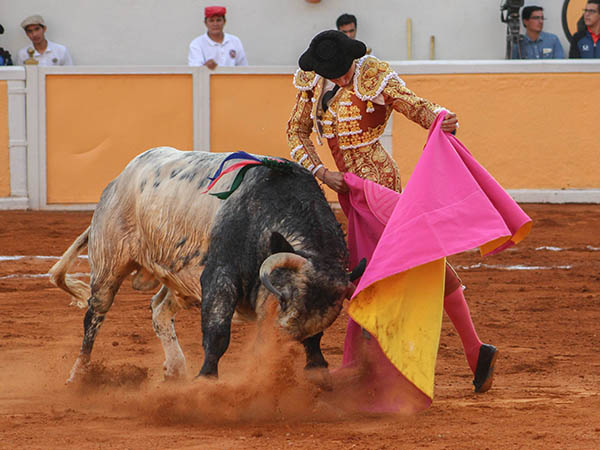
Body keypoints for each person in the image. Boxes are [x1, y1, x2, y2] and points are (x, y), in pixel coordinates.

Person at [286, 30, 498, 393]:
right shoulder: (313, 81)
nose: (340, 79)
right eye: (333, 74)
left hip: (378, 185)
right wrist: (321, 172)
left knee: (396, 262)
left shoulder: (372, 74)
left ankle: (394, 361)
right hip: (348, 192)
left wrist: (440, 117)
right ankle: (472, 351)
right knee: (398, 261)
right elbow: (296, 131)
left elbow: (411, 104)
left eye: (343, 71)